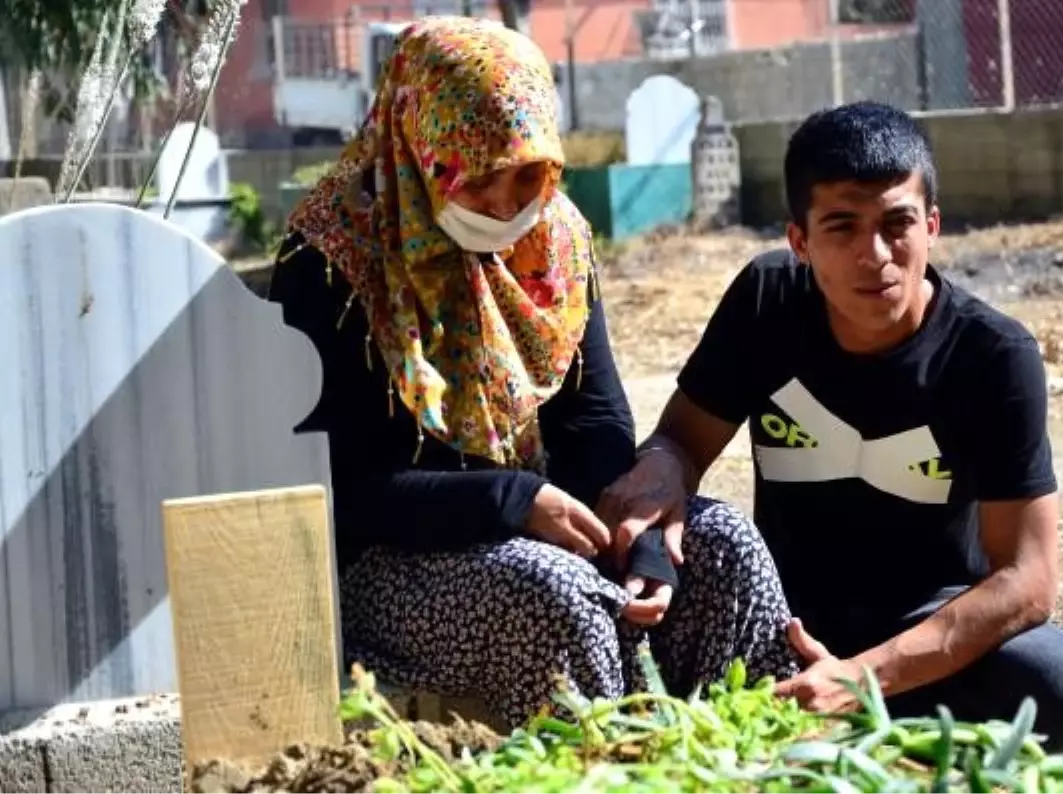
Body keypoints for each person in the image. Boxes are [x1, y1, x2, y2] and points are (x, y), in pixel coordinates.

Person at [265, 16, 798, 730]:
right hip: (392, 562)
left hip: (541, 528)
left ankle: (749, 764)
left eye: (529, 174)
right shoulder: (333, 259)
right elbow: (347, 487)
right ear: (423, 144)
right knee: (555, 597)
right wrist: (514, 501)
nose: (509, 205)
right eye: (480, 176)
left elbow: (596, 421)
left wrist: (635, 538)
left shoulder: (555, 241)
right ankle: (612, 774)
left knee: (725, 550)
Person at [600, 100, 1063, 753]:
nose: (876, 255)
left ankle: (849, 717)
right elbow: (681, 443)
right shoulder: (766, 302)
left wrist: (864, 677)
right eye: (842, 227)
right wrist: (664, 469)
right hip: (781, 615)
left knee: (1059, 686)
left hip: (926, 623)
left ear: (932, 226)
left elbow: (1027, 579)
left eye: (897, 224)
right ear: (800, 242)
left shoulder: (992, 356)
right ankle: (822, 716)